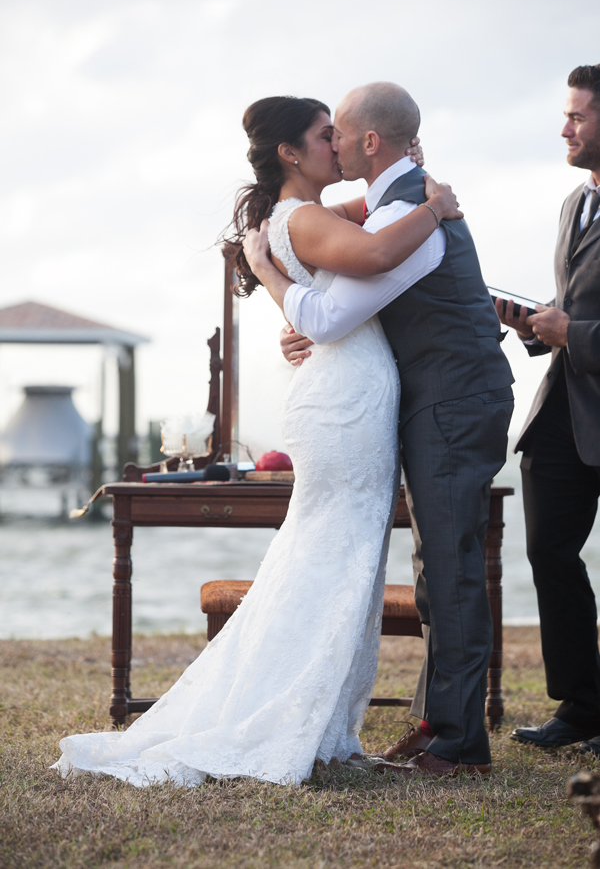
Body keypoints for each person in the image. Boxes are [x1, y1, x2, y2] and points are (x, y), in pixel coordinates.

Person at [52, 95, 461, 787]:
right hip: (345, 402)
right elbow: (382, 247)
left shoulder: (304, 214)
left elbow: (372, 210)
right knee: (330, 556)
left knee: (340, 557)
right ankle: (285, 715)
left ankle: (322, 719)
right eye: (325, 137)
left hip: (349, 394)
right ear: (291, 155)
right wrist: (437, 208)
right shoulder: (300, 218)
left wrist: (408, 166)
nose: (339, 145)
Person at [244, 82, 514, 778]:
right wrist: (299, 318)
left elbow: (333, 313)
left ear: (368, 142)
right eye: (321, 135)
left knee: (449, 567)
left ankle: (457, 742)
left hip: (454, 400)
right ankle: (438, 724)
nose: (330, 144)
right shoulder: (399, 203)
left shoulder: (412, 209)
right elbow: (335, 297)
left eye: (339, 133)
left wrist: (283, 290)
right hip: (428, 399)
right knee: (437, 568)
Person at [495, 64, 600, 752]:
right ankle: (582, 708)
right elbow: (575, 309)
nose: (564, 127)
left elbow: (583, 323)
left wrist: (577, 333)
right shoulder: (573, 204)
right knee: (548, 551)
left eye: (578, 116)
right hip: (565, 406)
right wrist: (535, 324)